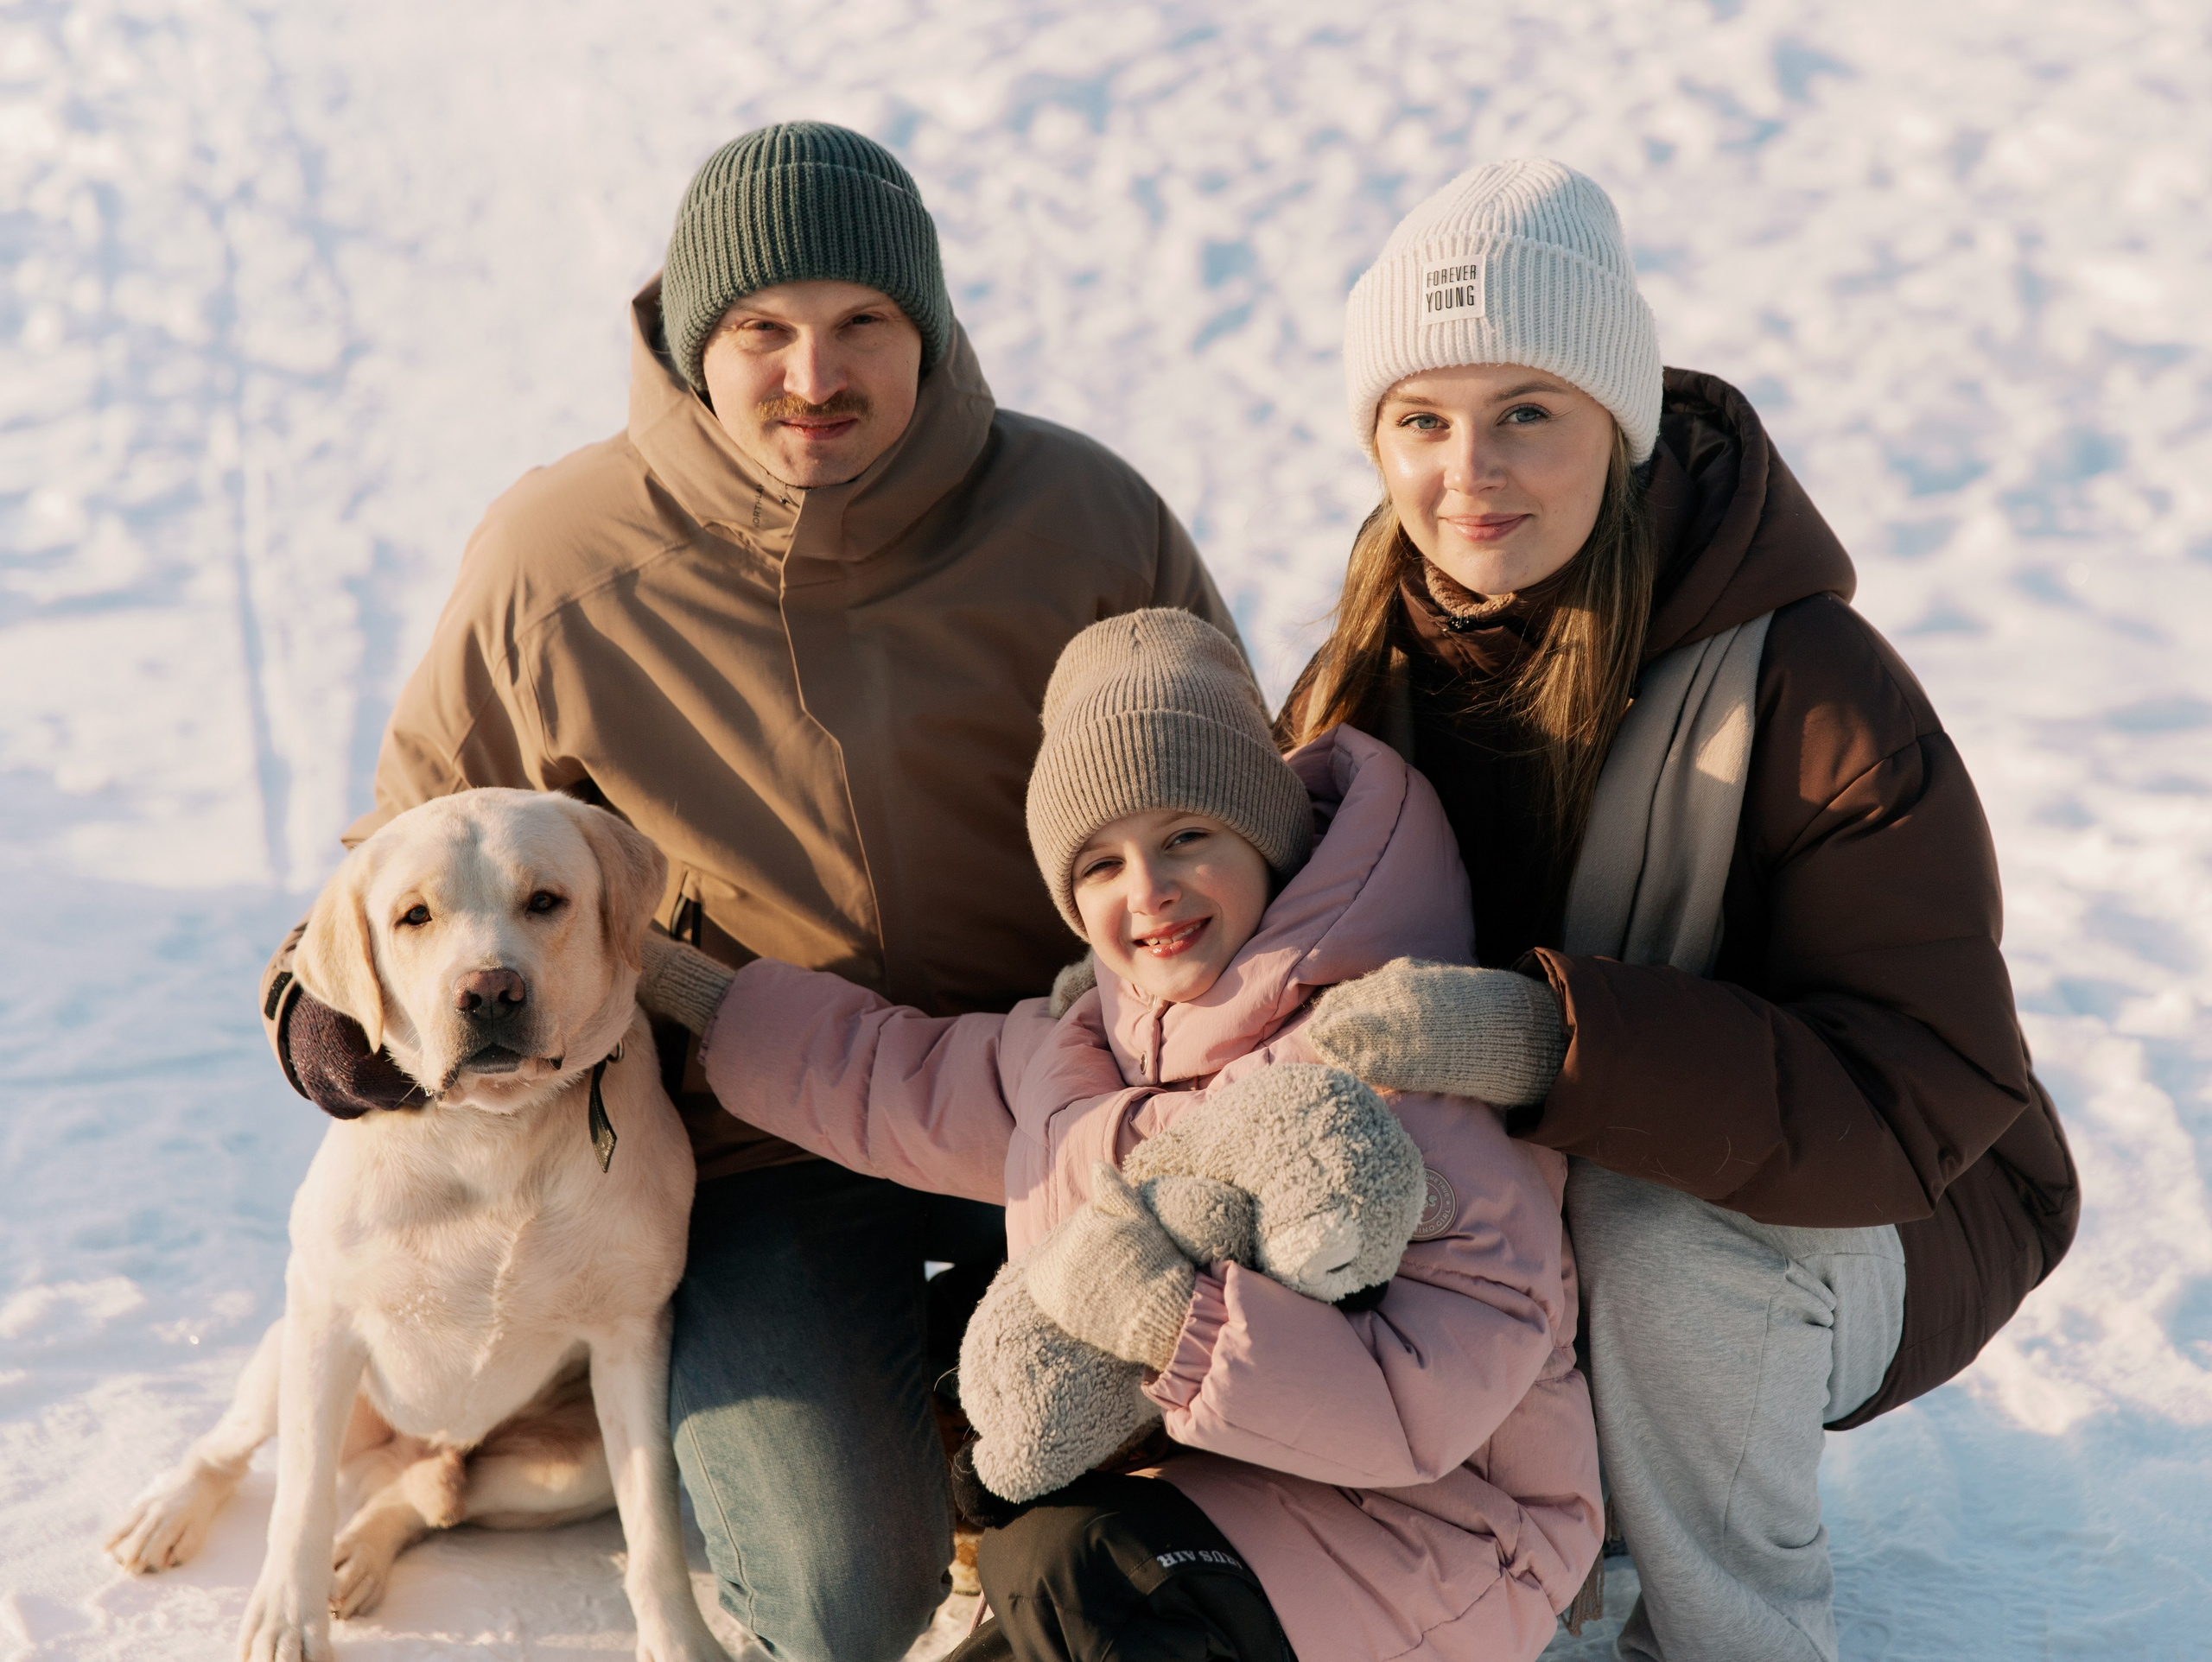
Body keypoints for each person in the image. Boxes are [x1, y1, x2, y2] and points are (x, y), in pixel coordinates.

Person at [253, 122, 1236, 1662]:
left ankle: (970, 1402)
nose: (811, 374)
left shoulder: (1084, 518)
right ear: (691, 343)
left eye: (864, 323)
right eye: (762, 329)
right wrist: (315, 1015)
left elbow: (1235, 792)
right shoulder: (553, 559)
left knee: (1235, 1444)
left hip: (1058, 1093)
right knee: (841, 1602)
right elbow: (407, 858)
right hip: (760, 1139)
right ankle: (883, 1422)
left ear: (931, 329)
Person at [1273, 159, 2082, 1662]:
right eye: (1421, 420)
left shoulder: (1809, 682)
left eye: (1528, 410)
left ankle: (1732, 1631)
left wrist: (1549, 1039)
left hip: (1897, 1202)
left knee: (1658, 1237)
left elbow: (1929, 1083)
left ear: (1621, 420)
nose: (1470, 470)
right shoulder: (1362, 672)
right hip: (1543, 1190)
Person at [639, 608, 1604, 1662]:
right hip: (1219, 1497)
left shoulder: (1398, 1053)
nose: (1149, 891)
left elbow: (1418, 1411)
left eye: (1186, 836)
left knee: (1077, 1567)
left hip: (1447, 1536)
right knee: (1040, 1552)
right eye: (1100, 863)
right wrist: (671, 984)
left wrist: (1173, 1321)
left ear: (1269, 836)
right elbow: (886, 1076)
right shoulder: (1084, 1051)